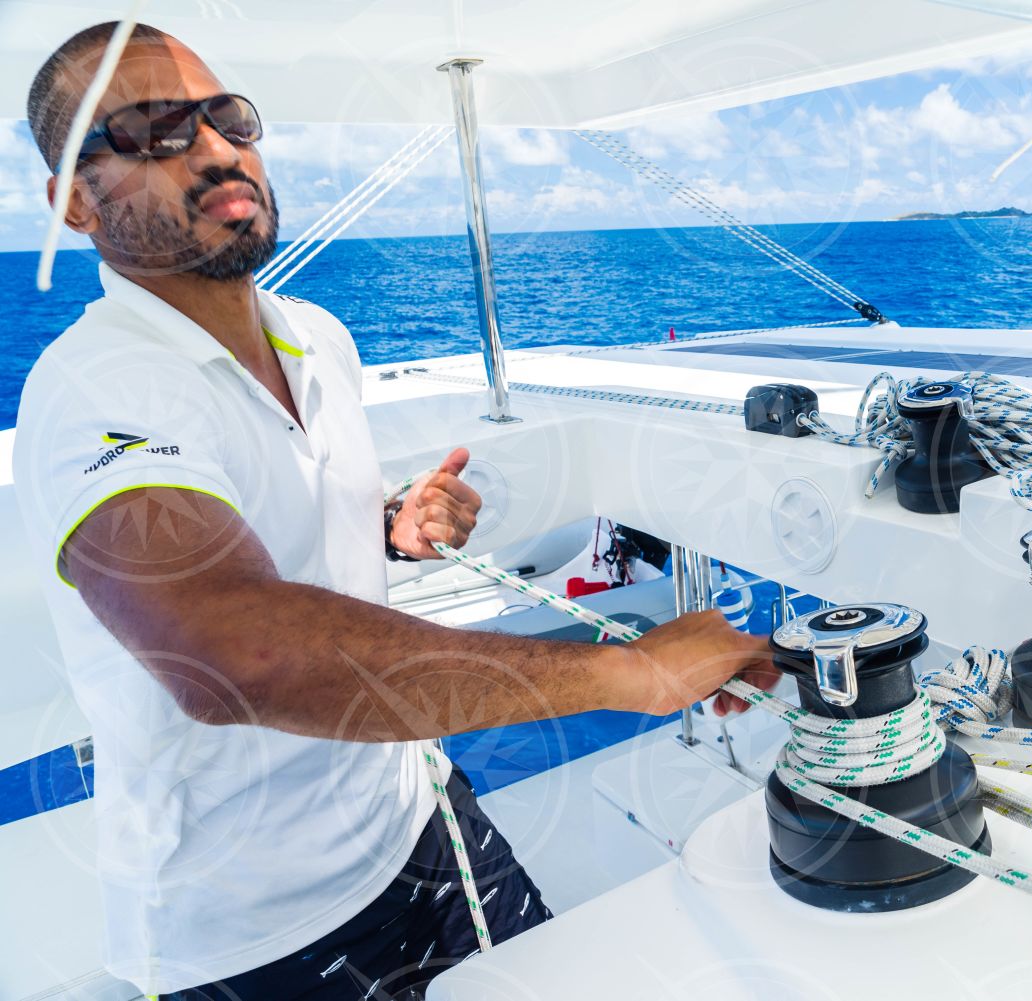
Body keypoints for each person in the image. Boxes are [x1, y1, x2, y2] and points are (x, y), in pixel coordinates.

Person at [14, 21, 777, 1001]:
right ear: (74, 200)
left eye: (226, 116)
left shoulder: (316, 339)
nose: (213, 149)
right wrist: (635, 669)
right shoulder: (98, 389)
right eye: (157, 131)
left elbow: (277, 520)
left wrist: (383, 526)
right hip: (261, 932)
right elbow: (230, 649)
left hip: (422, 812)